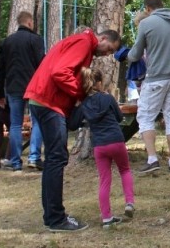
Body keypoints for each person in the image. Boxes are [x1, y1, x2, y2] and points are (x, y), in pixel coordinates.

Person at [25, 28, 121, 232]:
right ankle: (56, 218)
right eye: (108, 49)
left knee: (54, 159)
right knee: (57, 158)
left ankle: (52, 216)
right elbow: (59, 72)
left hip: (45, 100)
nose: (107, 54)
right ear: (102, 39)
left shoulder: (82, 43)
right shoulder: (84, 43)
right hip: (49, 102)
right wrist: (82, 93)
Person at [129, 0, 170, 174]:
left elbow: (135, 53)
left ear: (148, 8)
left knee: (146, 116)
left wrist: (127, 56)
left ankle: (152, 159)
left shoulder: (146, 24)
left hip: (155, 78)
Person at [67, 67, 135, 228]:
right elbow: (120, 117)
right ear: (98, 83)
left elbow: (73, 124)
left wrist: (77, 105)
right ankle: (129, 202)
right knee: (124, 170)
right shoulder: (108, 98)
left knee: (105, 180)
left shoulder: (84, 104)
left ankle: (106, 218)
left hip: (99, 145)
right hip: (116, 140)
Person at [0, 11, 45, 171]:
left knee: (15, 125)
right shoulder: (35, 39)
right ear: (30, 23)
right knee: (37, 122)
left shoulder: (7, 42)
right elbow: (41, 64)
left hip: (13, 87)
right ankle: (34, 157)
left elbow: (1, 69)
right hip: (33, 87)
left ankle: (16, 162)